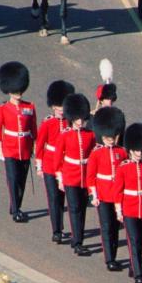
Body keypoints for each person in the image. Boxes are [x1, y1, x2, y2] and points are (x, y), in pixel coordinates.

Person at [0, 61, 36, 223]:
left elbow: (33, 129)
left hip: (24, 148)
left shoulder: (30, 107)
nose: (18, 92)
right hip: (10, 148)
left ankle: (15, 204)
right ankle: (17, 211)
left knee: (21, 181)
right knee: (12, 178)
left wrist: (34, 147)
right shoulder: (3, 108)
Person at [114, 123, 142, 283]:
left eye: (141, 150)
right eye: (136, 150)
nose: (139, 153)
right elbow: (118, 190)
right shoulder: (123, 168)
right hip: (129, 208)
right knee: (133, 239)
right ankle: (139, 274)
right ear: (130, 150)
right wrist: (119, 209)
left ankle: (133, 265)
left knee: (140, 240)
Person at [54, 93, 96, 257]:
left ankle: (78, 239)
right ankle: (78, 242)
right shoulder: (65, 134)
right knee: (74, 208)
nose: (80, 121)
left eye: (82, 118)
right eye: (77, 118)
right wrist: (60, 177)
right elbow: (58, 158)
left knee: (82, 209)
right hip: (70, 175)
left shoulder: (89, 135)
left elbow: (93, 156)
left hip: (84, 177)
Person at [86, 106, 127, 272]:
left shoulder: (122, 152)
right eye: (108, 137)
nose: (110, 139)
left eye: (112, 136)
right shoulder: (96, 153)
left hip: (117, 195)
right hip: (102, 194)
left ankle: (114, 256)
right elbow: (91, 176)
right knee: (106, 226)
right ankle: (109, 258)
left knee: (115, 227)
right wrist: (93, 194)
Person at [35, 80, 75, 243]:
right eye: (58, 107)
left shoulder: (70, 123)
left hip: (66, 166)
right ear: (53, 106)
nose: (60, 110)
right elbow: (40, 145)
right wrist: (39, 165)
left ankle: (69, 229)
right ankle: (57, 230)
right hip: (50, 165)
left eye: (62, 107)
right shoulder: (48, 122)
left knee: (65, 198)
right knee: (54, 198)